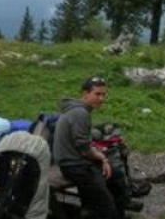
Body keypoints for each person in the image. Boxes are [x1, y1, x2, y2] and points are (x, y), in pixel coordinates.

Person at [53, 77, 128, 219]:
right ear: (84, 94)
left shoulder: (78, 111)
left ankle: (119, 206)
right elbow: (84, 148)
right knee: (105, 206)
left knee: (115, 175)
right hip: (74, 165)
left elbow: (84, 142)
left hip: (76, 161)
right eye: (97, 94)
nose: (101, 99)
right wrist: (102, 158)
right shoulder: (80, 113)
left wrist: (100, 155)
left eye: (103, 95)